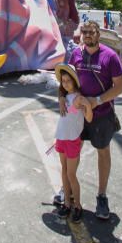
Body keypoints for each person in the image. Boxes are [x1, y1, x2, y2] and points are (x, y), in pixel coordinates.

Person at [57, 20, 122, 220]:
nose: (87, 35)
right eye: (84, 32)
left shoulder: (110, 57)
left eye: (91, 32)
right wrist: (61, 96)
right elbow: (67, 79)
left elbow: (119, 87)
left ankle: (101, 196)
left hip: (101, 114)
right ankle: (67, 189)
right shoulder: (76, 54)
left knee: (103, 152)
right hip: (78, 115)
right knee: (71, 150)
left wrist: (97, 100)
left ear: (98, 34)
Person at [54, 63, 93, 222]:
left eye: (69, 80)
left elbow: (89, 118)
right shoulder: (65, 97)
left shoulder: (78, 98)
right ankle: (67, 203)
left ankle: (77, 205)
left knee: (71, 174)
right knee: (64, 171)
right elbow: (62, 95)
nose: (65, 83)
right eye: (63, 81)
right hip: (61, 138)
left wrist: (87, 105)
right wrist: (61, 97)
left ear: (75, 81)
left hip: (72, 141)